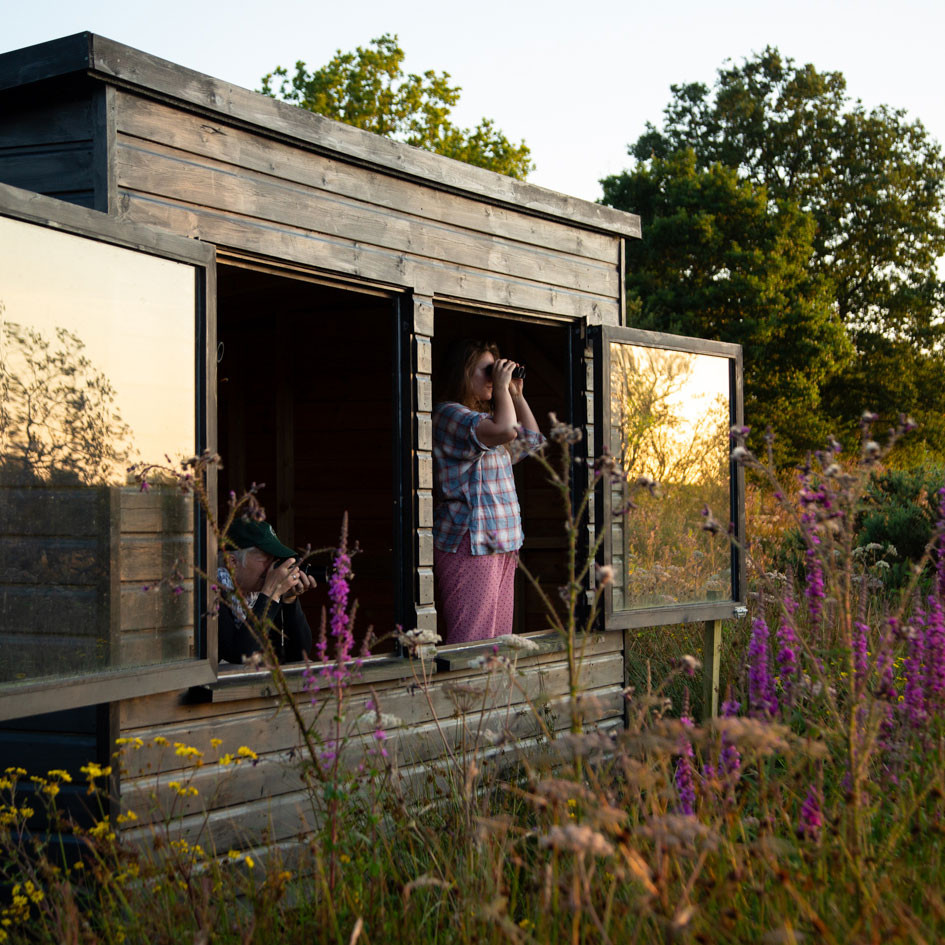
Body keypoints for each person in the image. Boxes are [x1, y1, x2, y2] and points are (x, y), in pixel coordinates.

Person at [433, 339, 545, 644]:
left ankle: (489, 694)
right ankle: (463, 693)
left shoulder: (486, 421)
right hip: (470, 541)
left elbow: (530, 440)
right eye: (487, 370)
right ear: (462, 373)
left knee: (499, 642)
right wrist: (501, 389)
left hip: (501, 541)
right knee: (473, 642)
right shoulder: (449, 415)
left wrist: (516, 395)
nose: (494, 377)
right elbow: (506, 430)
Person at [217, 518, 315, 664]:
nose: (273, 568)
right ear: (232, 562)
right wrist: (269, 595)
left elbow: (298, 654)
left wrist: (289, 601)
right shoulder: (212, 591)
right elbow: (242, 655)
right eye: (266, 560)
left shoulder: (256, 595)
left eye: (275, 560)